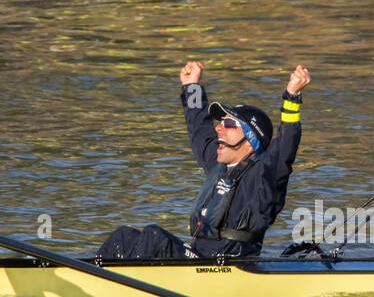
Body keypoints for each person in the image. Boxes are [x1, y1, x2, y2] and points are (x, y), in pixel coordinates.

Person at [97, 60, 310, 261]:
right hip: (198, 257)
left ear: (251, 138)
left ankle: (125, 284)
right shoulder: (218, 165)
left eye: (228, 123)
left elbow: (286, 147)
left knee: (154, 236)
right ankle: (94, 276)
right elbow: (199, 126)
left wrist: (292, 98)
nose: (219, 127)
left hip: (229, 265)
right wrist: (192, 88)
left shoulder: (265, 176)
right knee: (123, 236)